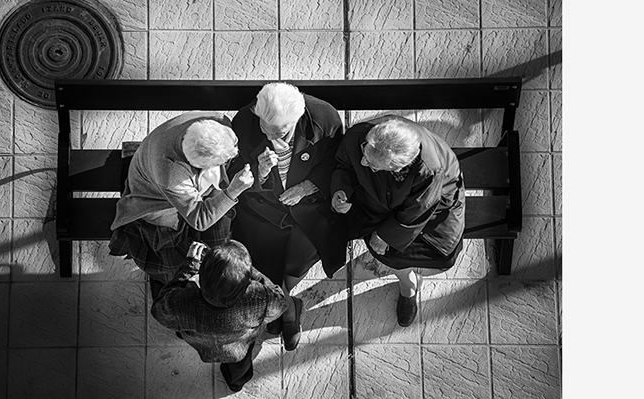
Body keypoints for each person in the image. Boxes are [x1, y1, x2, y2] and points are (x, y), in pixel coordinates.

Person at [228, 82, 348, 351]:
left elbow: (338, 162)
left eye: (280, 132)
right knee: (261, 262)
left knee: (296, 261)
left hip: (309, 208)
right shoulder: (245, 121)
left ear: (297, 117)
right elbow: (235, 168)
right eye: (265, 129)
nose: (272, 138)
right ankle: (287, 307)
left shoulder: (323, 118)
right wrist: (259, 173)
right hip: (262, 209)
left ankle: (281, 303)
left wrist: (308, 186)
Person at [331, 115, 465, 327]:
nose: (364, 162)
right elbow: (345, 165)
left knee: (424, 253)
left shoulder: (427, 169)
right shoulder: (361, 137)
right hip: (381, 196)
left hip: (434, 203)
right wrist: (340, 189)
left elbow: (420, 207)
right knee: (367, 241)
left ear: (398, 169)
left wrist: (386, 235)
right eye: (365, 155)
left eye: (373, 166)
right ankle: (407, 282)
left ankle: (408, 286)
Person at [109, 111, 255, 298]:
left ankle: (213, 274)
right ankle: (171, 286)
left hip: (180, 182)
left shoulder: (219, 121)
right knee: (176, 258)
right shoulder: (172, 174)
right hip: (157, 204)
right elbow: (199, 219)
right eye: (223, 161)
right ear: (199, 165)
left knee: (219, 236)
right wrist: (233, 191)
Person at [151, 240, 287, 392]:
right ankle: (235, 384)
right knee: (240, 366)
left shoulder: (180, 302)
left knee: (181, 322)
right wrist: (250, 271)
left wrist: (188, 267)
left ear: (200, 276)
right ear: (245, 284)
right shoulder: (259, 298)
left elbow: (158, 310)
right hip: (239, 347)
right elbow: (281, 301)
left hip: (199, 342)